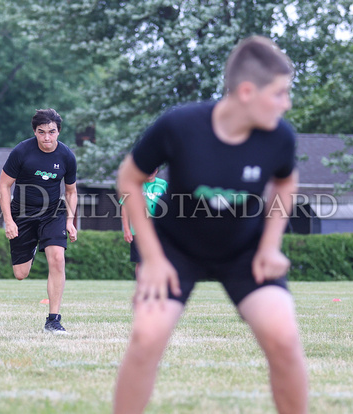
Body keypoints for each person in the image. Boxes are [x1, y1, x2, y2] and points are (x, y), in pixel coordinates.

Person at [114, 36, 308, 414]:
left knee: (283, 337)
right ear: (248, 91)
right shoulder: (179, 126)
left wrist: (270, 246)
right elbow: (128, 179)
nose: (287, 104)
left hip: (244, 251)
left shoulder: (279, 137)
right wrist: (152, 258)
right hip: (175, 251)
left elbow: (286, 182)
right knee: (146, 337)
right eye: (281, 93)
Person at [0, 108, 78, 334]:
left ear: (58, 132)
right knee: (20, 274)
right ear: (35, 131)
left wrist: (70, 220)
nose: (46, 138)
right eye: (41, 132)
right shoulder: (21, 152)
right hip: (22, 214)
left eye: (51, 132)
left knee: (57, 258)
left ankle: (53, 319)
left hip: (52, 212)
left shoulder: (66, 156)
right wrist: (9, 221)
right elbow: (4, 186)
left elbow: (71, 191)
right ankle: (32, 246)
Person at [121, 168, 167, 278]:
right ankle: (142, 286)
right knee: (140, 261)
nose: (151, 171)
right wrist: (127, 230)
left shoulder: (163, 184)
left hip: (159, 229)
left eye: (154, 169)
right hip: (138, 230)